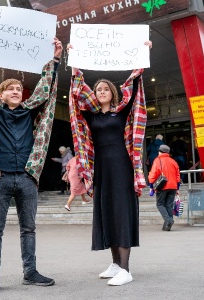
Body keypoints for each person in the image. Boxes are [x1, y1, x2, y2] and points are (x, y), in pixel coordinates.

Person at [0, 27, 63, 295]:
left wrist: (54, 60)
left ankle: (30, 273)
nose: (17, 91)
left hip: (27, 177)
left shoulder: (30, 112)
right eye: (11, 89)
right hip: (0, 177)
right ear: (2, 93)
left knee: (28, 229)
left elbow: (45, 90)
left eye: (19, 88)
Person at [67, 41, 152, 286]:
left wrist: (141, 53)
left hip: (122, 168)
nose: (101, 90)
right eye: (98, 88)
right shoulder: (91, 114)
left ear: (112, 92)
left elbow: (133, 87)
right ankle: (115, 264)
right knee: (107, 213)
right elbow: (77, 94)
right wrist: (75, 67)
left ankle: (126, 269)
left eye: (106, 88)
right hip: (101, 170)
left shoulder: (122, 111)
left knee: (121, 212)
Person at [148, 144, 181, 231]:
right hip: (173, 186)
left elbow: (153, 174)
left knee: (160, 204)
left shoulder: (157, 160)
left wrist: (151, 186)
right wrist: (177, 188)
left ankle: (169, 220)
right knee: (169, 205)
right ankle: (167, 227)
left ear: (160, 152)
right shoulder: (173, 161)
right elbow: (178, 175)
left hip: (162, 186)